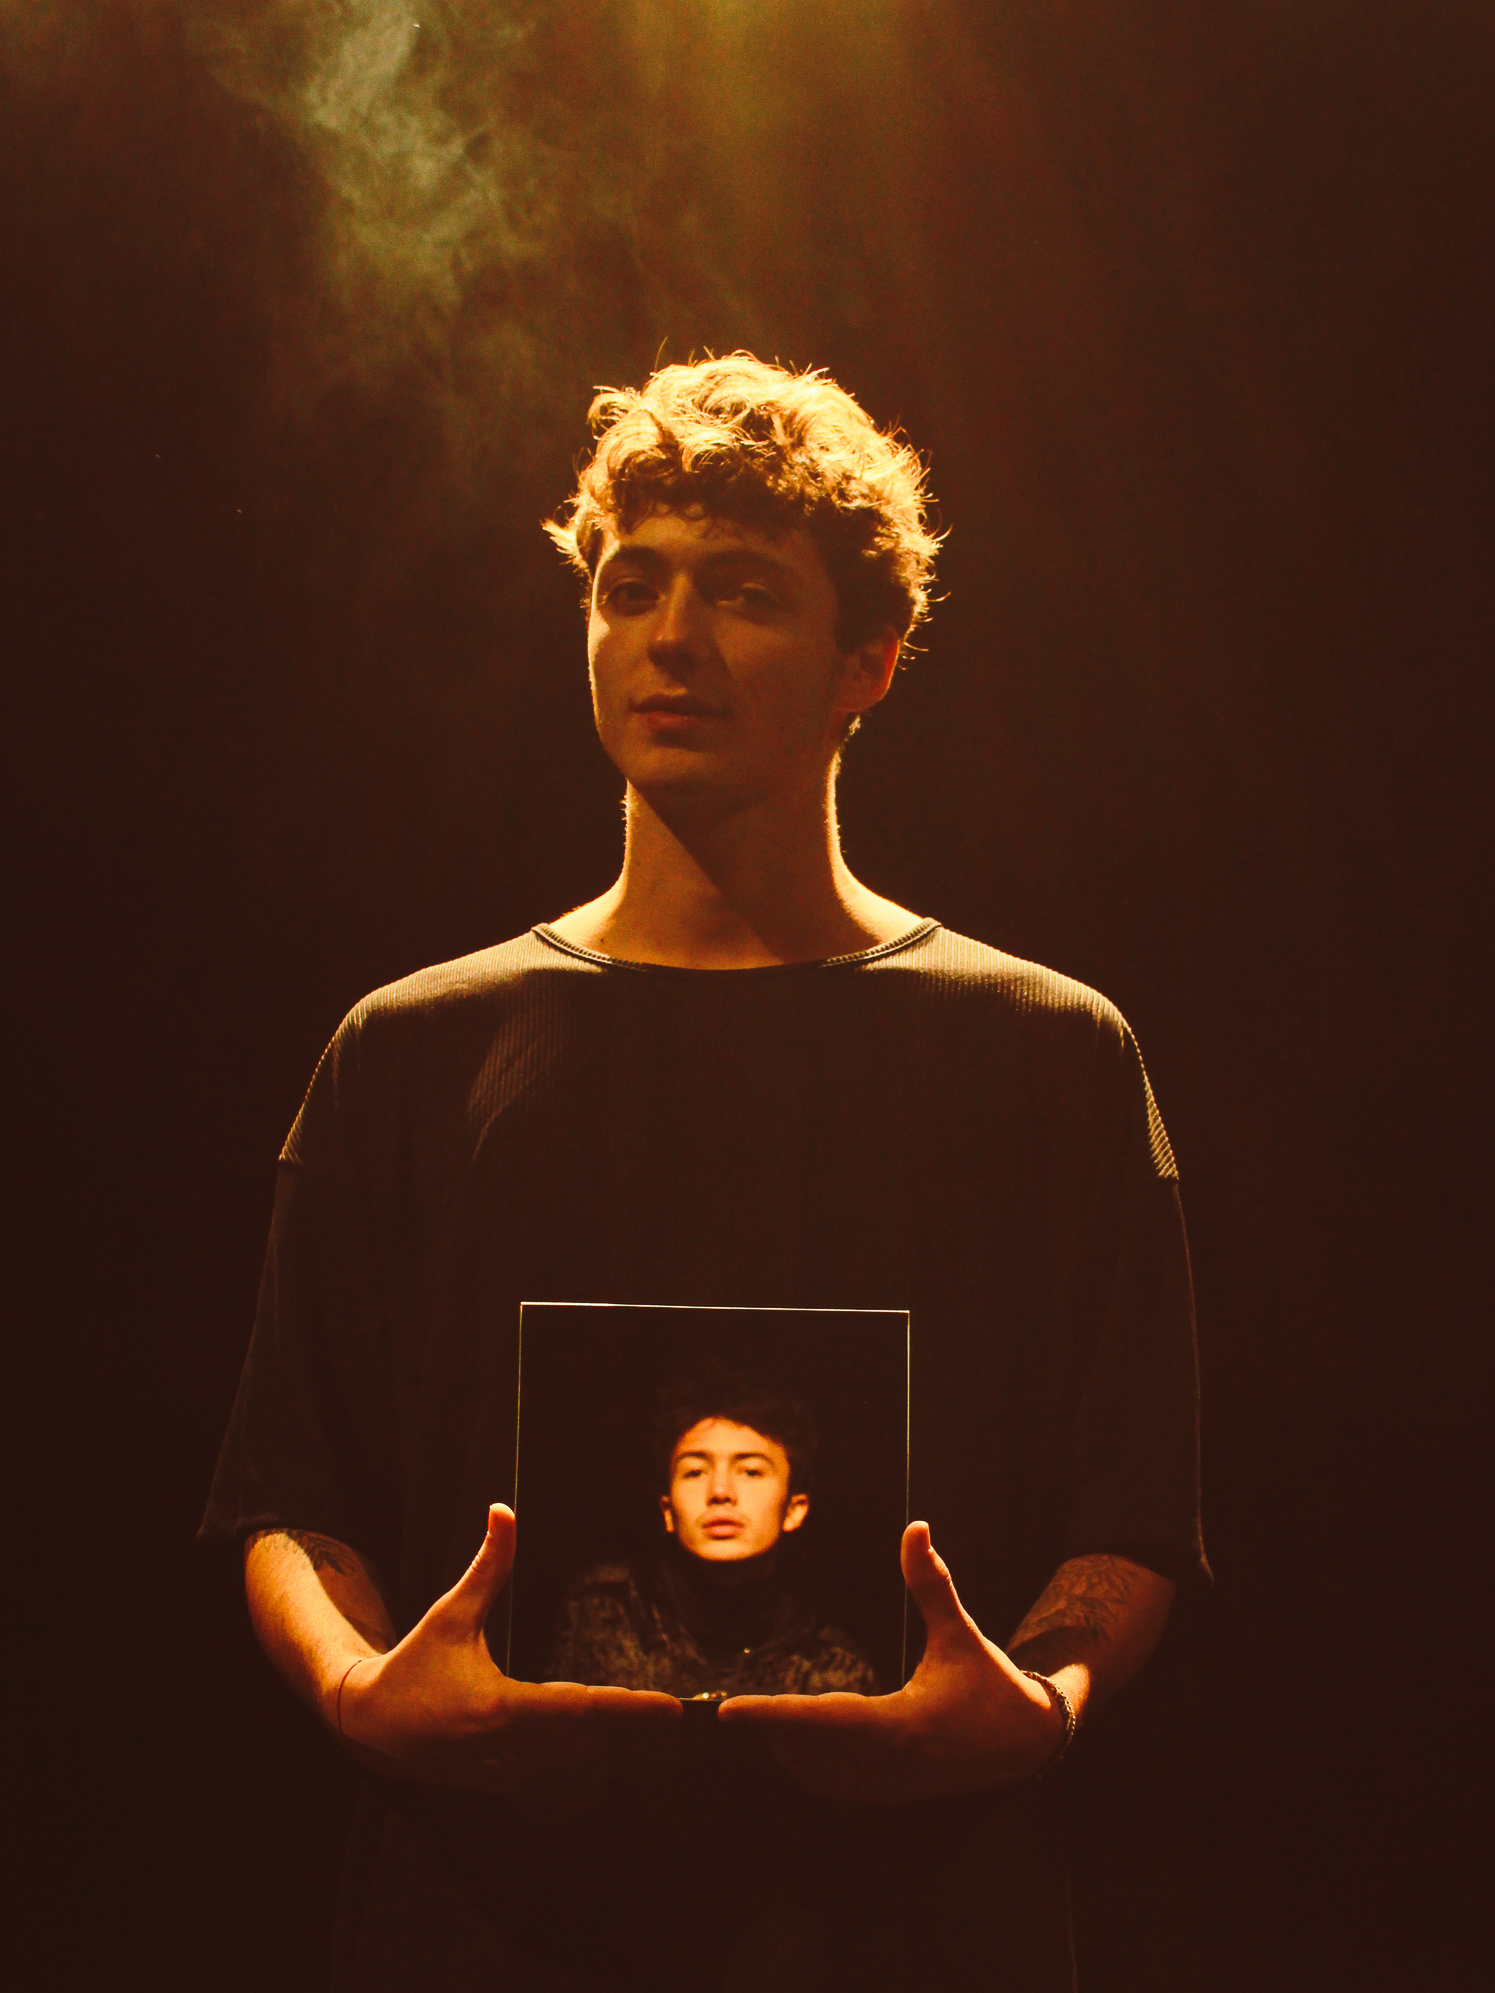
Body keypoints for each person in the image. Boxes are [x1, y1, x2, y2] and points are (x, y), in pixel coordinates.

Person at [204, 354, 1207, 1990]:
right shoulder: (406, 1051)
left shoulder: (1050, 1054)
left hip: (915, 1925)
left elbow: (1133, 1500)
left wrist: (1038, 1705)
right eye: (632, 586)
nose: (670, 636)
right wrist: (356, 1688)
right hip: (492, 1918)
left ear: (867, 660)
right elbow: (289, 1483)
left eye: (742, 592)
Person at [549, 1374, 881, 1698]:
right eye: (695, 1472)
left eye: (751, 1471)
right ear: (668, 1511)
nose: (720, 1492)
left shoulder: (834, 1670)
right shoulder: (601, 1613)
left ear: (794, 1509)